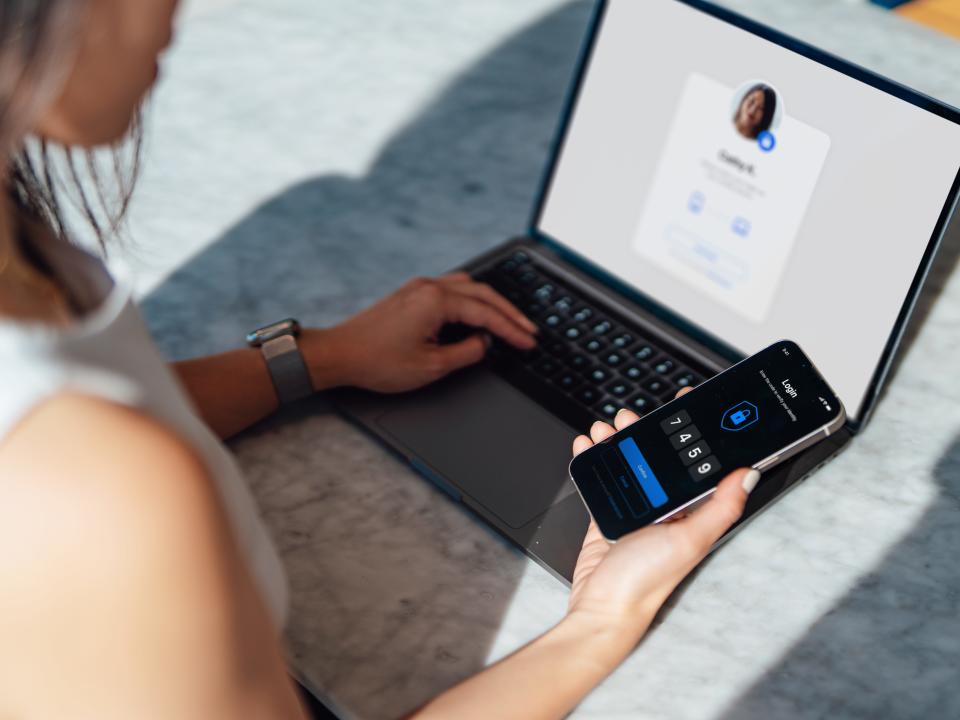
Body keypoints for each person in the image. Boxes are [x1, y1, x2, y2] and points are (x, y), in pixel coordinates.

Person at [0, 2, 760, 718]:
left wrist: (318, 359)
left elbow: (107, 403)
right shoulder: (98, 490)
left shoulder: (28, 258)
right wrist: (599, 620)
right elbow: (83, 458)